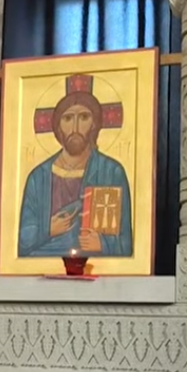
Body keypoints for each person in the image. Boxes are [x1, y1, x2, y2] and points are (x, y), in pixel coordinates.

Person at [17, 89, 132, 257]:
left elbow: (127, 243)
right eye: (68, 118)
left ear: (94, 124)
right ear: (58, 126)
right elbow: (22, 242)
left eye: (84, 117)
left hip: (98, 268)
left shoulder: (111, 172)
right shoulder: (39, 177)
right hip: (42, 266)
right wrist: (47, 229)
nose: (75, 128)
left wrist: (104, 243)